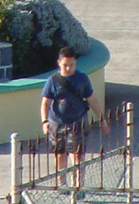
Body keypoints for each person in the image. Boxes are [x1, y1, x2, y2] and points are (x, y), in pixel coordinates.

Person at [41, 45, 103, 185]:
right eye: (65, 65)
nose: (68, 68)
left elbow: (92, 99)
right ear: (59, 62)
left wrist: (101, 118)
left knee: (77, 155)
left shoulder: (82, 78)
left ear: (75, 62)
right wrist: (44, 121)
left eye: (71, 65)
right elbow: (45, 102)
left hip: (77, 122)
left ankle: (78, 184)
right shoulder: (53, 80)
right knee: (59, 154)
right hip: (56, 123)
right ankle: (61, 182)